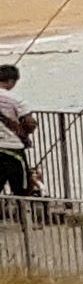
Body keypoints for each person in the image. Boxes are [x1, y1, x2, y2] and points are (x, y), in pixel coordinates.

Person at [0, 65, 35, 201]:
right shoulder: (16, 100)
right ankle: (23, 219)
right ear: (11, 81)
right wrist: (24, 134)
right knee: (21, 190)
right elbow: (29, 123)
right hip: (13, 150)